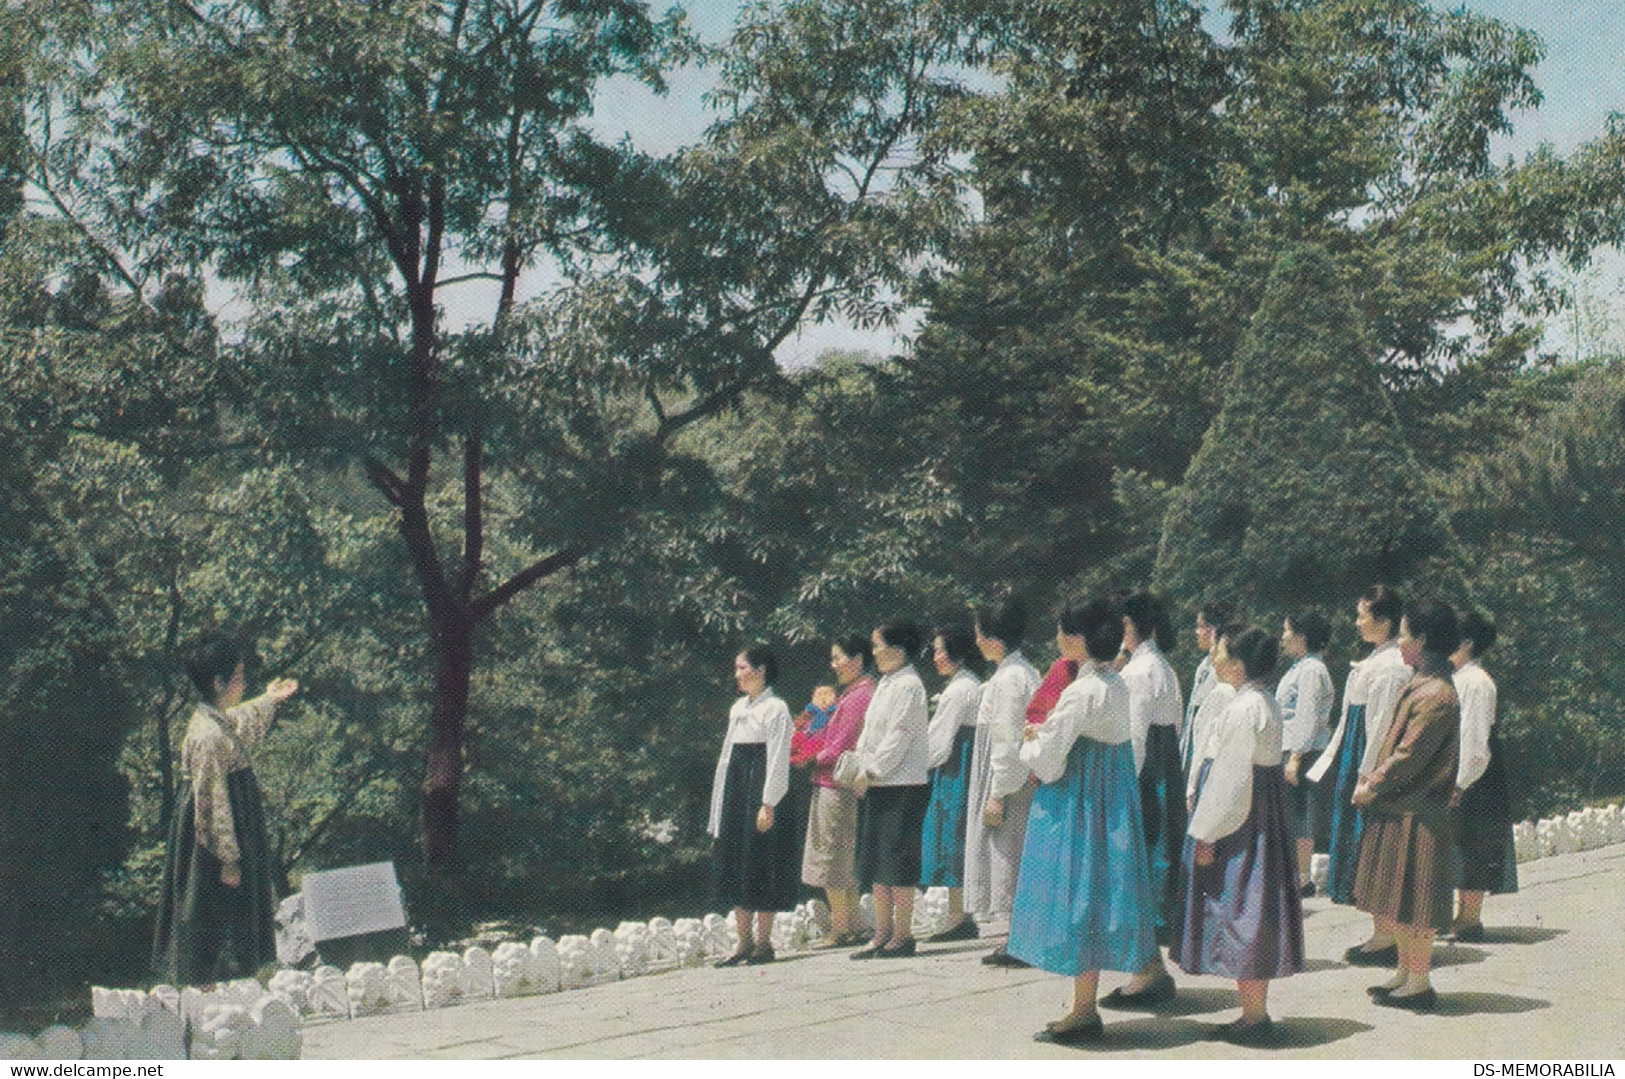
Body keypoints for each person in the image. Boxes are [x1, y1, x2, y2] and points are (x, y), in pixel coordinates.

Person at [1008, 598, 1158, 1045]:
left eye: (1061, 631)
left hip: (1078, 803)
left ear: (1077, 638)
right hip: (1110, 800)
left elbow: (1050, 761)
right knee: (1096, 898)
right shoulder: (1116, 685)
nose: (1057, 640)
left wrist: (1027, 741)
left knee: (1072, 897)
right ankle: (1083, 1004)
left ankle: (1083, 1008)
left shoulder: (1079, 691)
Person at [1172, 625, 1304, 1045]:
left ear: (1238, 664)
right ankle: (1254, 1010)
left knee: (1240, 908)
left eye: (1222, 653)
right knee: (1257, 909)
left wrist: (1207, 835)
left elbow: (1229, 779)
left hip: (1240, 820)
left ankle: (1253, 1016)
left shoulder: (1241, 709)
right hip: (1259, 813)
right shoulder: (1264, 702)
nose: (1215, 659)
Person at [154, 635, 298, 985]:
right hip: (214, 843)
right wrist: (228, 860)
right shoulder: (206, 734)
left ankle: (236, 979)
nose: (243, 683)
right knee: (210, 911)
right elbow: (211, 800)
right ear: (218, 683)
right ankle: (209, 984)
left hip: (232, 830)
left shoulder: (216, 720)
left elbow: (238, 719)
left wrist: (268, 699)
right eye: (237, 678)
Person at [1353, 599, 1462, 1011]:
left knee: (1416, 904)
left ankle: (1418, 981)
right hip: (1402, 809)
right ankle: (1404, 973)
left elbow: (1409, 755)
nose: (1399, 641)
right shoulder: (1422, 683)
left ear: (1422, 640)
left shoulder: (1436, 694)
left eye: (1404, 633)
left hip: (1418, 812)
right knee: (1399, 900)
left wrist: (1371, 785)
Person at [1307, 584, 1413, 964]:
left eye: (1362, 615)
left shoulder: (1389, 668)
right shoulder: (1373, 662)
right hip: (1356, 757)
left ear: (1383, 622)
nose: (1357, 622)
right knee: (1361, 846)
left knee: (1372, 848)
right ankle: (1380, 932)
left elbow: (1381, 727)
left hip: (1369, 761)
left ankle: (1386, 936)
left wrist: (1367, 777)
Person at [1102, 591, 1185, 1005]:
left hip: (1144, 777)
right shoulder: (1163, 667)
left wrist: (1123, 790)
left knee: (1138, 870)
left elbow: (1134, 739)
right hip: (1165, 773)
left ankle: (1147, 971)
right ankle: (1150, 967)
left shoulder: (1139, 672)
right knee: (1155, 868)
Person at [962, 597, 1042, 965]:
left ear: (993, 638)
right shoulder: (1018, 671)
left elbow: (1008, 741)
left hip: (1008, 780)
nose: (976, 641)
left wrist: (996, 793)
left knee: (1007, 853)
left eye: (979, 633)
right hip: (1012, 776)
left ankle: (1017, 939)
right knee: (1010, 852)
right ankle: (1018, 936)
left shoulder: (1010, 679)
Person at [708, 644, 798, 966]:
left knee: (761, 859)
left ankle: (763, 942)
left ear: (760, 670)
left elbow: (776, 759)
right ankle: (742, 941)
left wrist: (768, 802)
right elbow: (726, 757)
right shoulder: (738, 708)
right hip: (736, 786)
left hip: (760, 787)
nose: (738, 675)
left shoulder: (776, 708)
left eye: (742, 668)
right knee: (735, 858)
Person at [851, 620, 932, 959]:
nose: (874, 653)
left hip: (902, 785)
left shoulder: (910, 685)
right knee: (876, 862)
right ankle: (882, 932)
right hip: (876, 783)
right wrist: (861, 769)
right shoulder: (886, 683)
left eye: (878, 645)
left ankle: (903, 934)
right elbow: (870, 734)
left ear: (897, 650)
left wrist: (871, 770)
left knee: (898, 863)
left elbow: (898, 736)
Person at [794, 636, 875, 946]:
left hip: (835, 782)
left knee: (831, 857)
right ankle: (851, 924)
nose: (834, 665)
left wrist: (807, 757)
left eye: (839, 657)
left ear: (857, 660)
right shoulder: (857, 693)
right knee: (841, 857)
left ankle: (842, 928)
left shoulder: (857, 697)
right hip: (841, 783)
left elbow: (839, 745)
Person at [1448, 609, 1516, 943]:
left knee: (1473, 844)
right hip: (1460, 769)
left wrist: (1461, 782)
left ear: (1467, 642)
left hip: (1476, 773)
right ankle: (1462, 915)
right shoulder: (1457, 678)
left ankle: (1470, 917)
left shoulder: (1476, 682)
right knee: (1460, 844)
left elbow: (1475, 739)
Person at [918, 624, 985, 942]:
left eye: (941, 650)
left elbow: (939, 741)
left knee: (953, 835)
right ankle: (960, 914)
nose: (936, 657)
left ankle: (959, 917)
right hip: (964, 765)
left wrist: (917, 766)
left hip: (956, 768)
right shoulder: (970, 683)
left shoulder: (959, 690)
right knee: (959, 835)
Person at [1277, 610, 1335, 896]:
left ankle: (1301, 879)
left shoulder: (1311, 670)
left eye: (1287, 630)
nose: (1283, 636)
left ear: (1301, 635)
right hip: (1291, 750)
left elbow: (1307, 716)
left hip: (1303, 752)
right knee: (1294, 817)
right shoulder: (1299, 667)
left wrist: (1296, 758)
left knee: (1301, 818)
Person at [1179, 600, 1234, 775]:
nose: (1197, 632)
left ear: (1213, 630)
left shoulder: (1223, 673)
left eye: (1201, 626)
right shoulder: (1203, 667)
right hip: (1192, 750)